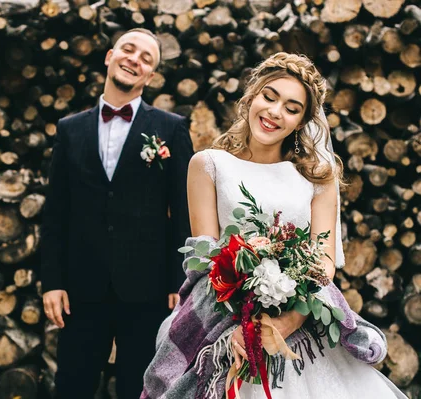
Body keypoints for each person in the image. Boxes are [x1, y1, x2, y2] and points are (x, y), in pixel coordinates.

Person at [141, 53, 407, 398]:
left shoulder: (319, 178)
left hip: (301, 329)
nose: (275, 112)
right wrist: (235, 331)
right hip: (226, 324)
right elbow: (206, 261)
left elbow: (323, 261)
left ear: (301, 122)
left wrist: (291, 318)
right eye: (270, 96)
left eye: (292, 108)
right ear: (251, 96)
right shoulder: (208, 165)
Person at [40, 28, 194, 399]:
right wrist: (52, 281)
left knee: (139, 388)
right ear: (110, 56)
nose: (134, 60)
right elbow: (56, 209)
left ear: (151, 76)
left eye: (146, 59)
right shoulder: (69, 129)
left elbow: (185, 207)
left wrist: (180, 281)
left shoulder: (171, 129)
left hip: (148, 289)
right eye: (128, 50)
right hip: (81, 286)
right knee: (72, 385)